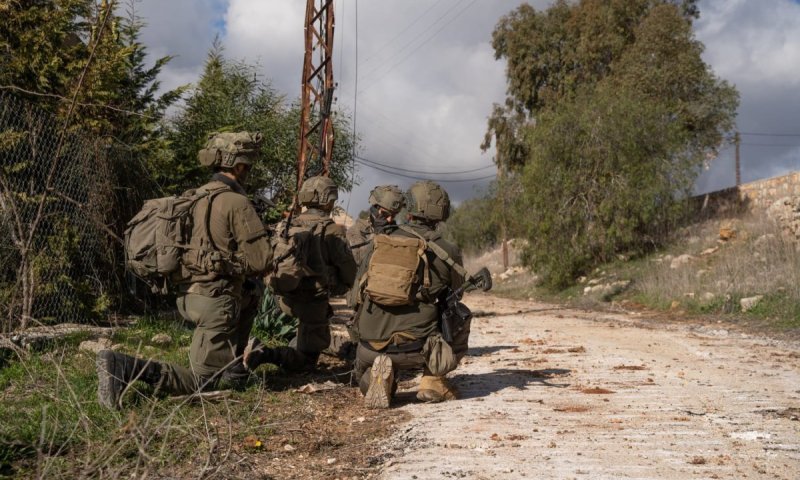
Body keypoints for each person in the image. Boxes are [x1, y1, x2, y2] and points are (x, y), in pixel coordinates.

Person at [96, 131, 273, 409]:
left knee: (251, 292)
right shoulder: (236, 202)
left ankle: (232, 366)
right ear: (239, 166)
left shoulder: (193, 196)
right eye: (248, 166)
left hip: (187, 297)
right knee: (201, 382)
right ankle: (124, 366)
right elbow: (261, 261)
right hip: (216, 301)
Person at [353, 180, 469, 408]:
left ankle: (376, 377)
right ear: (442, 211)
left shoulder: (380, 241)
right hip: (416, 349)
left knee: (366, 373)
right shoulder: (447, 250)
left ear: (409, 206)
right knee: (460, 314)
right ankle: (432, 380)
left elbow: (357, 292)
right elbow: (458, 293)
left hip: (368, 345)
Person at [244, 175, 357, 371]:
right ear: (328, 200)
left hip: (285, 298)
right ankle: (263, 352)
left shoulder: (288, 224)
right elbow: (349, 270)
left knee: (309, 336)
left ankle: (298, 343)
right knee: (306, 361)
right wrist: (343, 285)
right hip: (312, 301)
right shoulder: (332, 230)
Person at [345, 185, 406, 309]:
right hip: (363, 298)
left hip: (389, 294)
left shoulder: (397, 233)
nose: (389, 219)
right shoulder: (356, 232)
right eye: (385, 214)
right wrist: (378, 237)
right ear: (374, 208)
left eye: (394, 215)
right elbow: (359, 261)